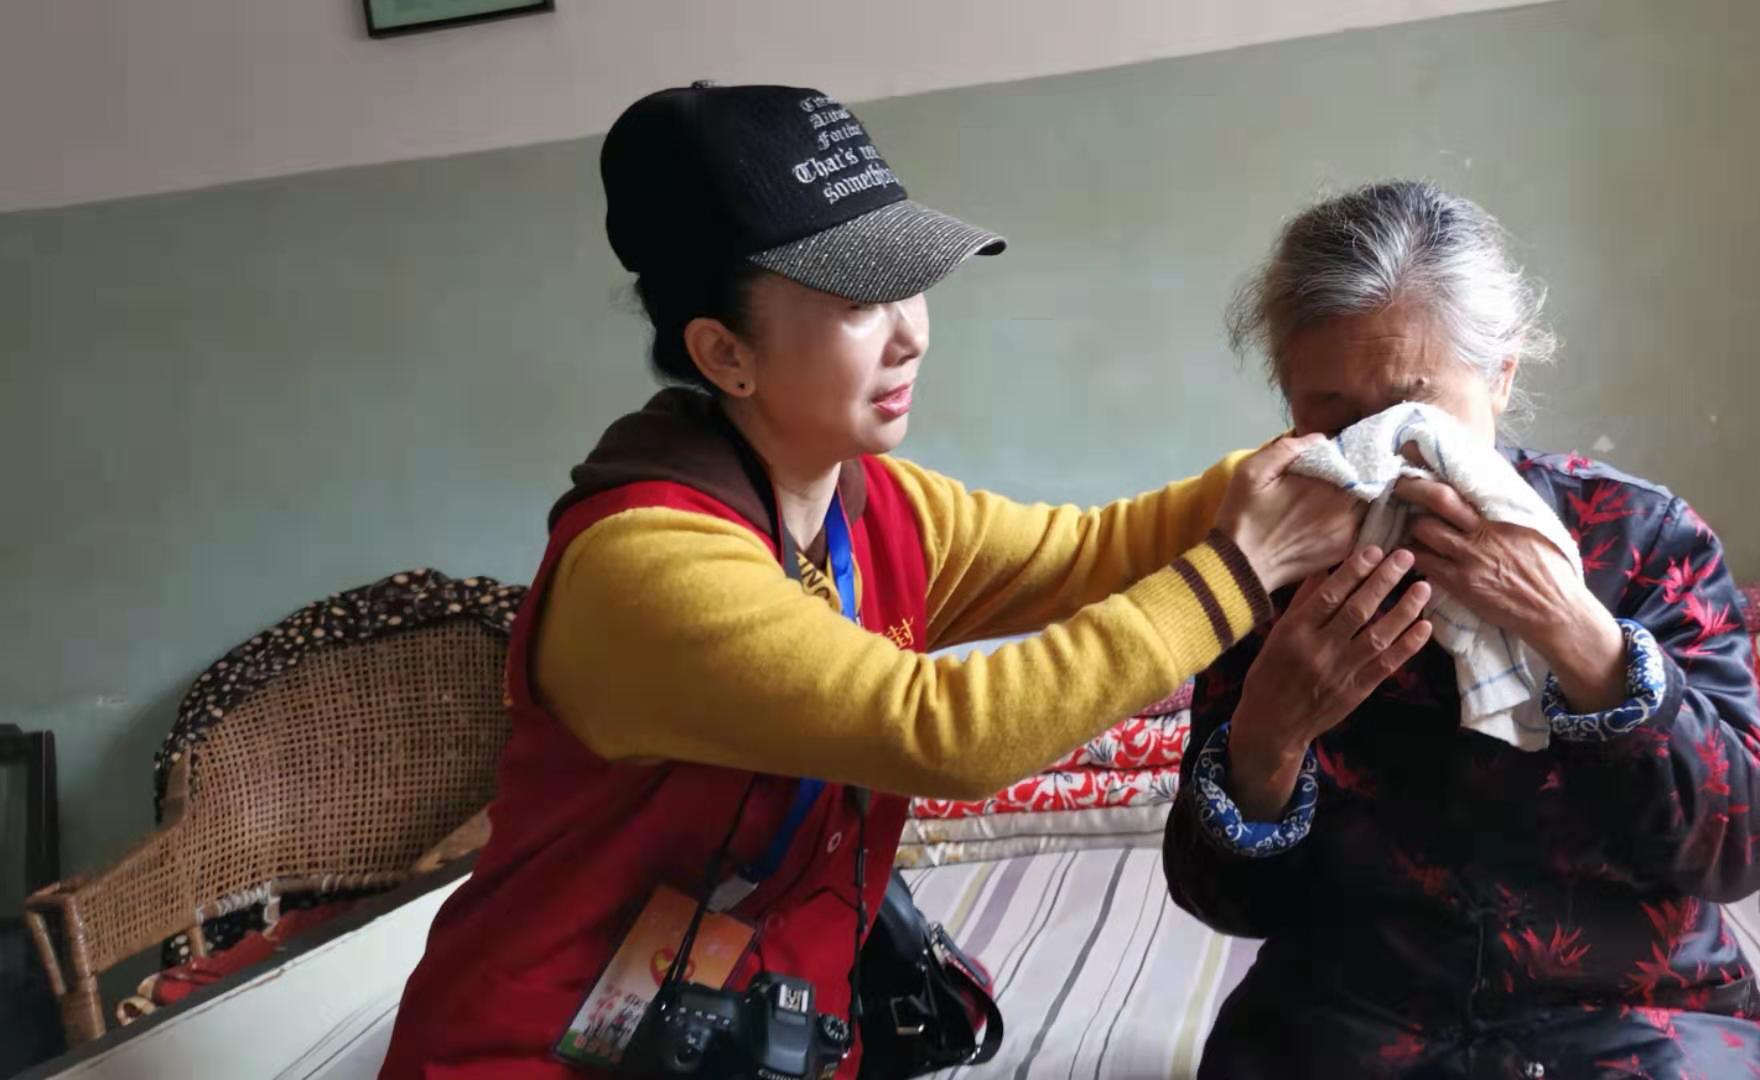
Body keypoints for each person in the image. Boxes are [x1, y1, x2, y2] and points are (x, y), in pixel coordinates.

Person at [379, 84, 1375, 1079]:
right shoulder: (641, 566)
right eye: (859, 302)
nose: (911, 335)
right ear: (724, 353)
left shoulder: (877, 507)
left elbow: (1090, 550)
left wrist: (1325, 451)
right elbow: (947, 732)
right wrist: (1241, 570)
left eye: (910, 288)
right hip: (543, 1054)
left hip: (755, 1040)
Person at [1164, 180, 1760, 1079]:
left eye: (1418, 408)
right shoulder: (1263, 566)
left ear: (1500, 375)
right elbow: (1223, 898)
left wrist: (1575, 632)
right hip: (1351, 1012)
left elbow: (1743, 849)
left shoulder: (1640, 539)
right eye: (1335, 417)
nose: (1382, 452)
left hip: (1636, 1010)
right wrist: (1269, 732)